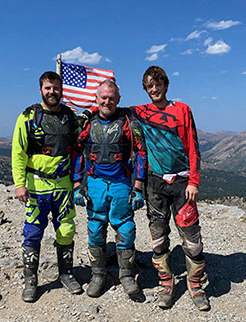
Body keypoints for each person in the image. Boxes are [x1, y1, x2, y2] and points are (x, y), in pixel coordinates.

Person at [128, 66, 209, 311]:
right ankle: (167, 284)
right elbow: (111, 109)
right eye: (149, 86)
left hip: (183, 182)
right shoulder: (140, 112)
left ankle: (195, 285)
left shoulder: (183, 110)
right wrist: (87, 112)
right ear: (146, 89)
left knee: (191, 237)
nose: (154, 89)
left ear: (166, 85)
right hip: (154, 182)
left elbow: (194, 147)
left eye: (158, 84)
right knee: (158, 236)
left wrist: (194, 180)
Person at [12, 71, 82, 303]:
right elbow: (18, 151)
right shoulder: (28, 116)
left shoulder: (69, 116)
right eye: (48, 88)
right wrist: (20, 184)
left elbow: (78, 147)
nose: (52, 92)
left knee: (66, 230)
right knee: (33, 232)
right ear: (41, 89)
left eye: (56, 88)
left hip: (63, 184)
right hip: (36, 185)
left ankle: (66, 274)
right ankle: (31, 281)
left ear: (61, 89)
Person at [72, 79, 147, 298]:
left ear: (118, 100)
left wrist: (139, 187)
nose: (107, 101)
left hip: (122, 184)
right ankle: (98, 275)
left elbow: (142, 153)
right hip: (95, 183)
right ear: (96, 98)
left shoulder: (129, 123)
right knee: (95, 229)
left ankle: (126, 275)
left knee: (126, 229)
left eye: (111, 98)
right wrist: (77, 185)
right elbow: (76, 152)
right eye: (103, 97)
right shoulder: (86, 123)